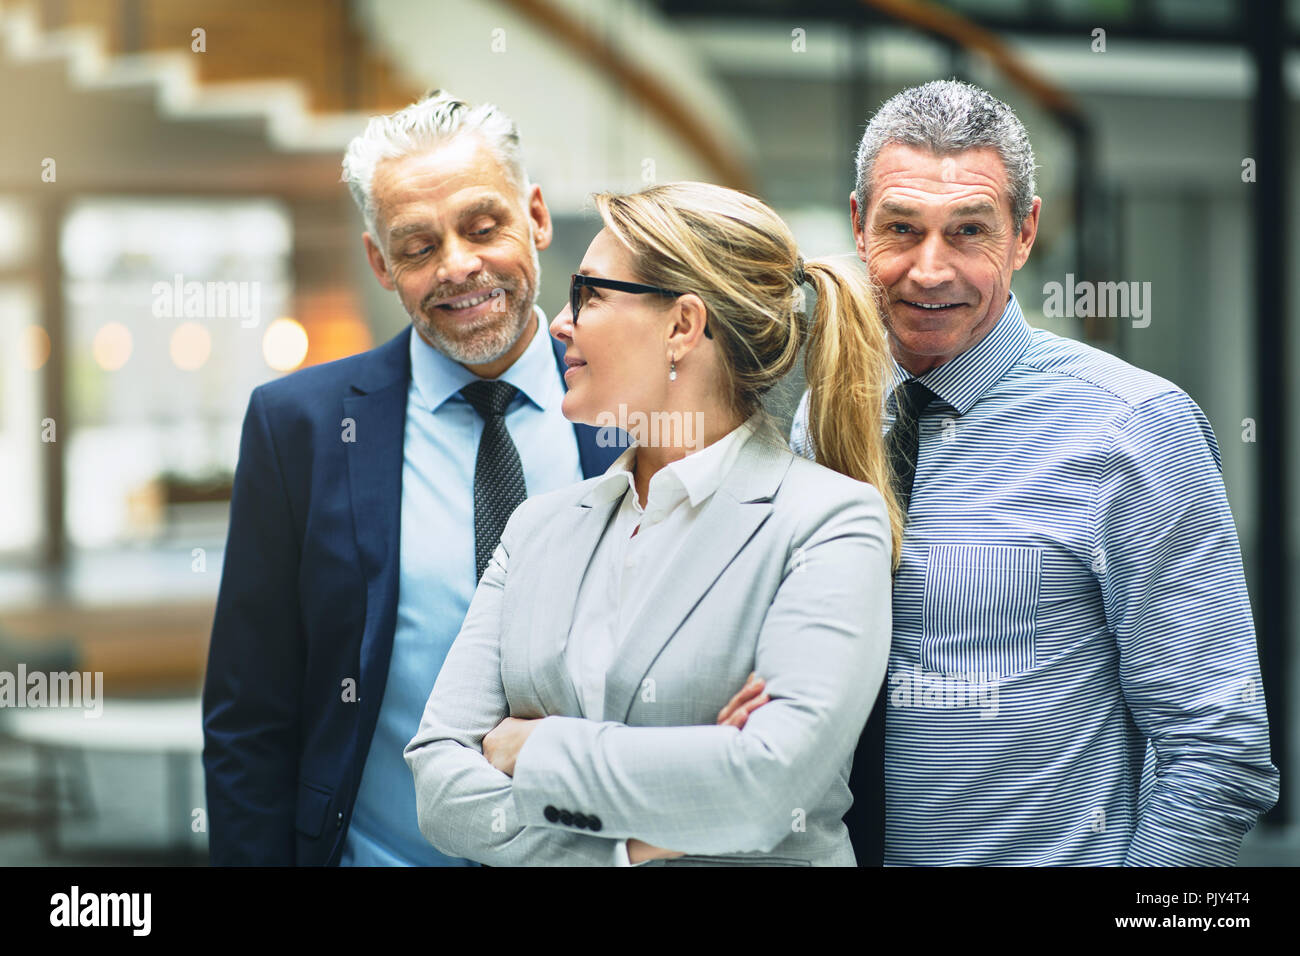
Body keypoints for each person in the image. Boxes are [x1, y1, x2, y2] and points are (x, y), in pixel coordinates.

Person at [791, 79, 1280, 865]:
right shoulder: (822, 419)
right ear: (859, 225)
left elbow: (1217, 751)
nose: (928, 269)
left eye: (969, 232)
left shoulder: (1135, 429)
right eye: (902, 228)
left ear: (1024, 234)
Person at [403, 181, 899, 865]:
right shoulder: (536, 530)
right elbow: (440, 788)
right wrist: (633, 845)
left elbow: (763, 788)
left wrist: (538, 746)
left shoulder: (827, 524)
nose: (560, 324)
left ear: (682, 326)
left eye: (591, 296)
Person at [201, 91, 624, 866]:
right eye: (418, 244)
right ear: (380, 263)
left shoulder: (640, 409)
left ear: (535, 217)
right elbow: (248, 716)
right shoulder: (298, 427)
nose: (457, 265)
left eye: (482, 225)